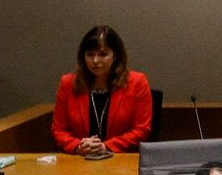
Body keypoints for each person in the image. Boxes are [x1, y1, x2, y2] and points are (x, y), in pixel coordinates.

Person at [51, 24, 154, 159]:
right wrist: (78, 146)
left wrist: (105, 147)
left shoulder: (137, 82)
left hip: (121, 160)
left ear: (115, 55)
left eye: (103, 54)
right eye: (90, 54)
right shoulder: (67, 83)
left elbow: (141, 130)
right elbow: (59, 130)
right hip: (79, 161)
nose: (95, 61)